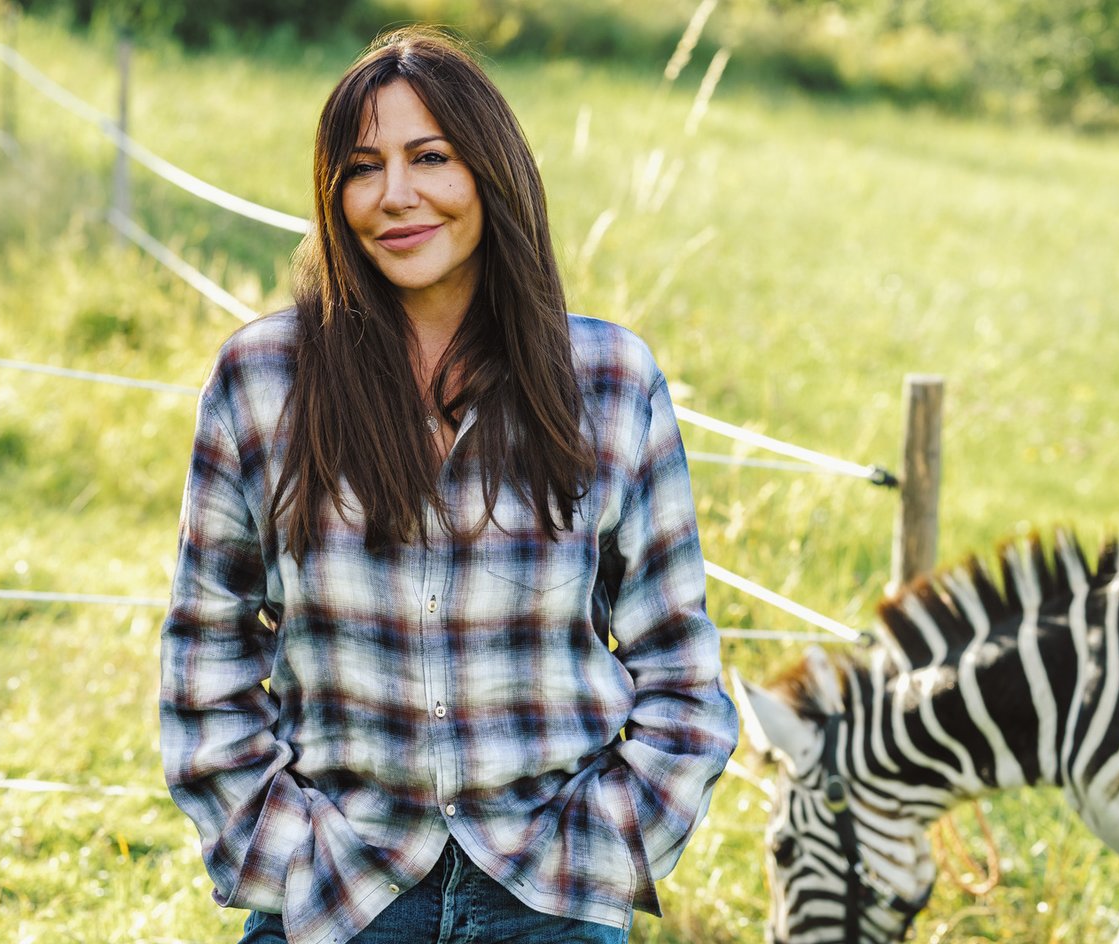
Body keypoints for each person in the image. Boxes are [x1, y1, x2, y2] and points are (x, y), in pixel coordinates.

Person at [160, 27, 738, 944]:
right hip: (339, 890)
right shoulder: (264, 381)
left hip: (551, 889)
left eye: (430, 157)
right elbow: (207, 653)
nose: (395, 196)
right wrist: (281, 852)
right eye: (361, 167)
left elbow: (680, 663)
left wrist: (610, 848)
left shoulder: (612, 383)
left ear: (491, 172)